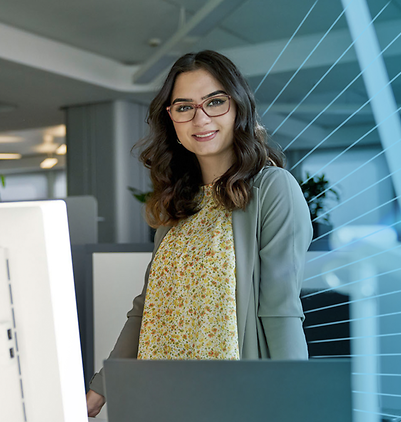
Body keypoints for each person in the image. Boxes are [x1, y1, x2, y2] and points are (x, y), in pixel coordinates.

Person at [86, 50, 312, 417]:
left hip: (229, 397)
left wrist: (298, 403)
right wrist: (100, 388)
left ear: (239, 107)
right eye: (184, 107)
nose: (200, 118)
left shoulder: (272, 189)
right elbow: (147, 309)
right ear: (170, 119)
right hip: (158, 394)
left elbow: (280, 309)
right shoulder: (177, 202)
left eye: (215, 102)